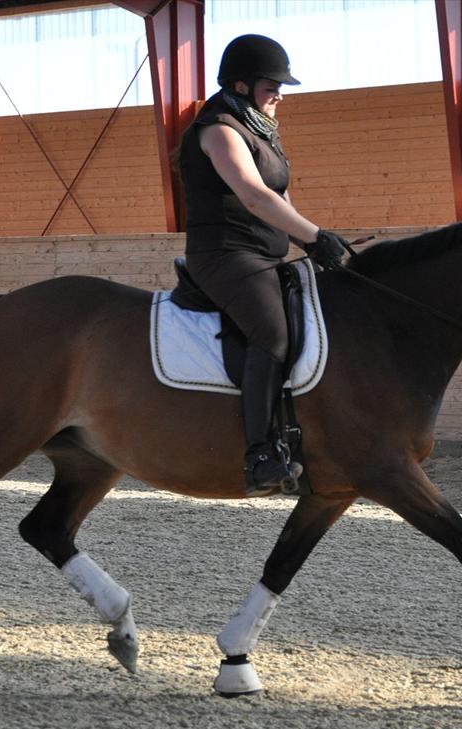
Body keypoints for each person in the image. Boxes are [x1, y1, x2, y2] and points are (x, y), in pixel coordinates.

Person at [177, 33, 349, 496]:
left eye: (280, 85)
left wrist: (310, 241)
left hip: (267, 254)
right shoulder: (218, 130)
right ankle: (259, 455)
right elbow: (253, 197)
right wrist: (314, 237)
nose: (279, 93)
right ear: (239, 86)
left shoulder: (261, 133)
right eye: (271, 84)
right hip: (224, 255)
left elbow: (278, 199)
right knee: (271, 332)